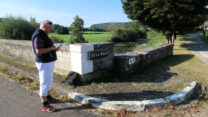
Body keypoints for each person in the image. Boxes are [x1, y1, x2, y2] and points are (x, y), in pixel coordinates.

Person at [31, 20, 59, 112]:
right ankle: (45, 105)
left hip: (48, 61)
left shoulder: (42, 34)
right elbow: (38, 50)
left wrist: (53, 49)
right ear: (44, 26)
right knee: (44, 83)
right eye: (49, 28)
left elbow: (45, 47)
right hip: (44, 62)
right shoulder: (38, 35)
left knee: (49, 80)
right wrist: (51, 48)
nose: (50, 30)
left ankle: (48, 97)